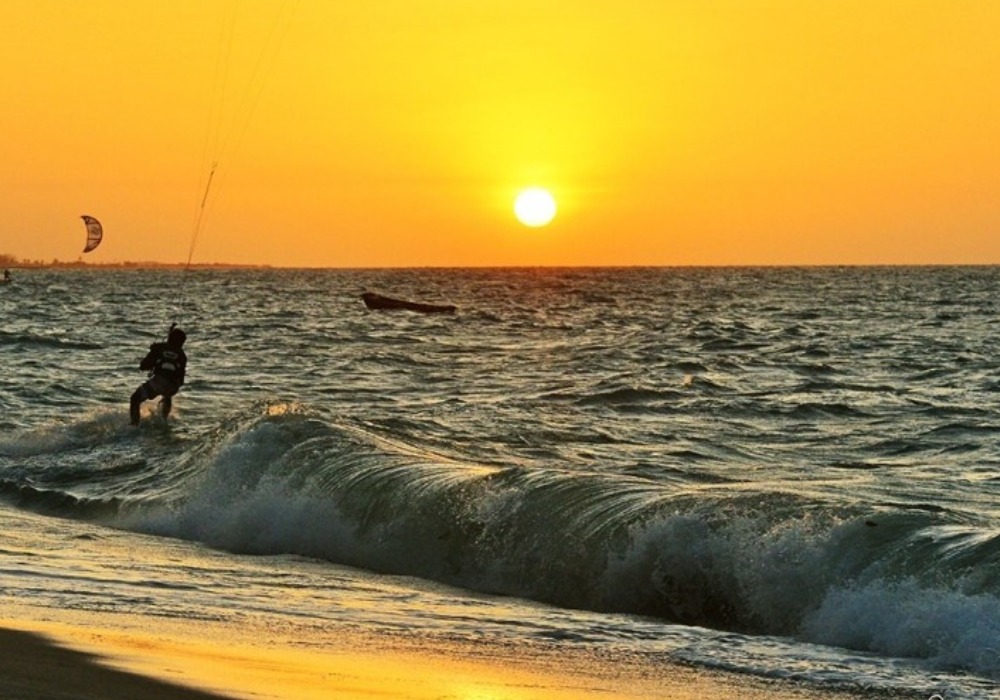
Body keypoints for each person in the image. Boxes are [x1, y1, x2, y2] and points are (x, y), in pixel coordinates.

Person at [130, 326, 187, 425]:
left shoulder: (158, 348)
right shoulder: (182, 356)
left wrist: (152, 354)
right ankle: (164, 420)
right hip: (173, 386)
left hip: (159, 382)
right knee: (168, 394)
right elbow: (181, 381)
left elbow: (143, 366)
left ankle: (134, 425)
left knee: (135, 398)